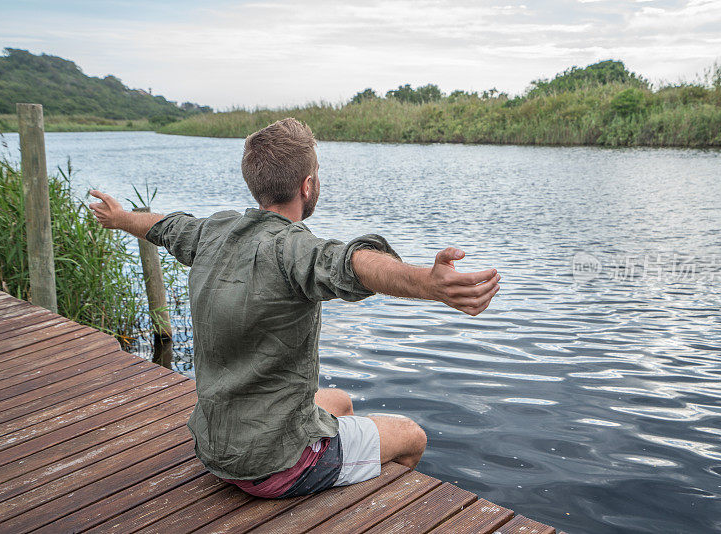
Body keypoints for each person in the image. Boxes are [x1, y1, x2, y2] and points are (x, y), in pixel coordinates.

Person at [88, 117, 500, 499]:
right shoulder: (292, 248)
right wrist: (427, 284)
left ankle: (338, 478)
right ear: (307, 186)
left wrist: (120, 216)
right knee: (411, 437)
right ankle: (361, 514)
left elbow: (163, 226)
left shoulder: (213, 231)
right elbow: (352, 263)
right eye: (317, 175)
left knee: (337, 401)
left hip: (215, 448)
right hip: (274, 465)